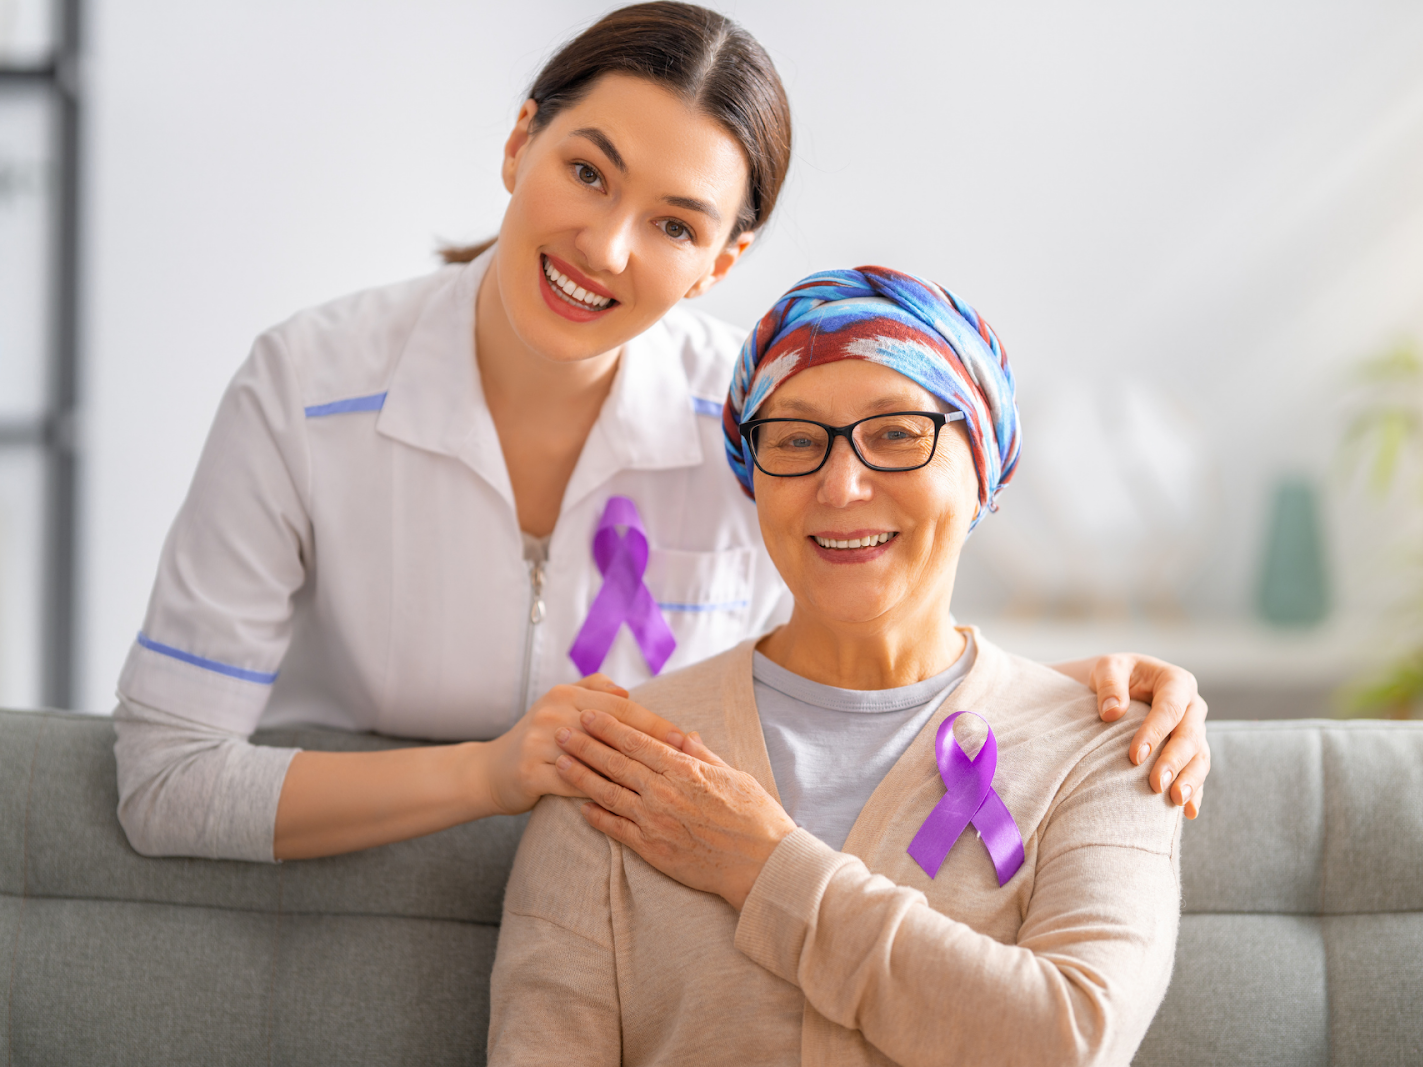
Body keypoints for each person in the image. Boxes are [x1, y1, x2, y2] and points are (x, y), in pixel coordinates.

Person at [112, 3, 1209, 866]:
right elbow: (168, 779)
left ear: (720, 262)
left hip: (645, 920)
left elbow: (856, 686)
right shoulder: (305, 387)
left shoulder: (765, 422)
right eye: (585, 170)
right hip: (354, 897)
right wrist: (491, 774)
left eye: (675, 224)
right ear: (517, 143)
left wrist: (1079, 697)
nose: (605, 245)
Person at [489, 268, 1184, 1066]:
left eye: (897, 432)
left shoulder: (1110, 746)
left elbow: (1073, 1039)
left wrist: (758, 862)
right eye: (794, 439)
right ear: (755, 477)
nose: (842, 483)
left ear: (984, 469)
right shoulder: (619, 762)